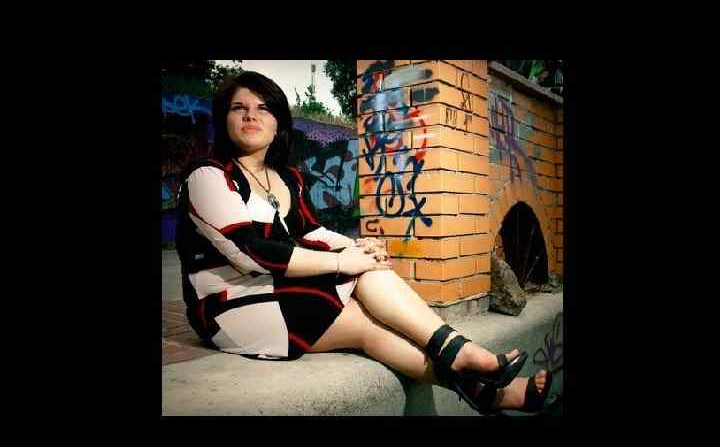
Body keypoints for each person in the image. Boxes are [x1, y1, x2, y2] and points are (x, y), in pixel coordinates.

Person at [175, 70, 553, 415]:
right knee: (363, 323)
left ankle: (461, 354)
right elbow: (250, 251)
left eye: (263, 108)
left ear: (278, 124)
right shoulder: (207, 176)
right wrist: (343, 262)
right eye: (238, 108)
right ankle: (485, 384)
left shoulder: (288, 178)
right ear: (224, 120)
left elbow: (311, 233)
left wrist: (358, 248)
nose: (250, 116)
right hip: (230, 305)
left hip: (278, 287)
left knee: (369, 272)